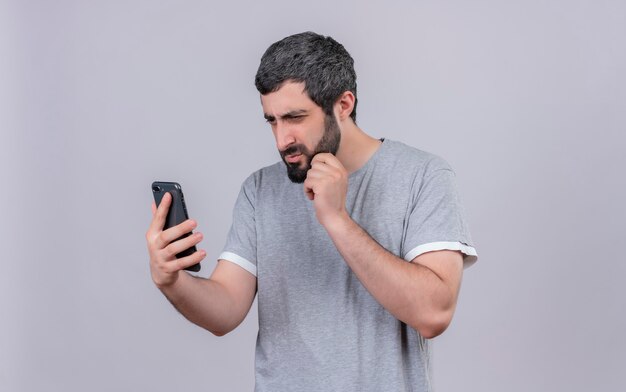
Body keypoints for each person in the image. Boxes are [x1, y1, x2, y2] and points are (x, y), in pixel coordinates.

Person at [146, 31, 478, 392]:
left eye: (295, 117)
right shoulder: (260, 190)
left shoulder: (422, 175)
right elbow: (224, 310)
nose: (281, 139)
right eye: (271, 120)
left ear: (343, 104)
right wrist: (172, 281)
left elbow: (434, 314)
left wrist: (337, 219)